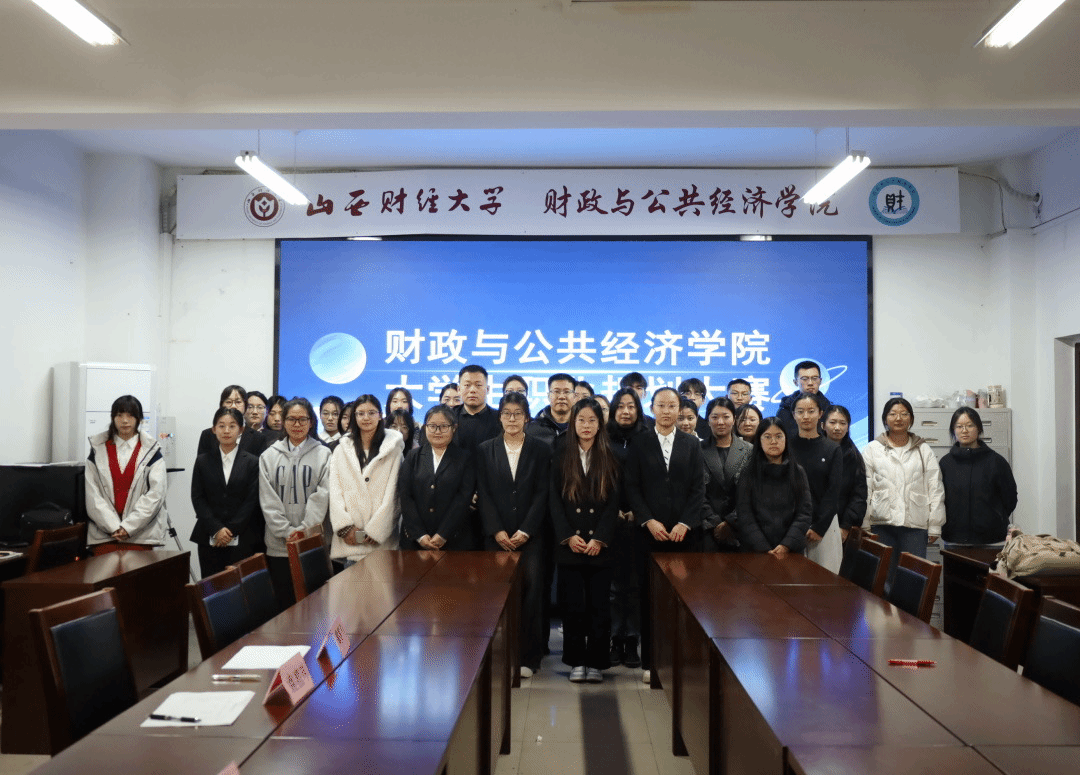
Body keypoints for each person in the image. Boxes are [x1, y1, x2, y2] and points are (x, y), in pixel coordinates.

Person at [626, 387, 705, 683]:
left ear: (679, 409)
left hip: (685, 536)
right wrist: (648, 520)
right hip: (650, 535)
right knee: (650, 599)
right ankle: (651, 661)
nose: (667, 411)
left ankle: (680, 660)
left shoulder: (691, 443)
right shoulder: (639, 442)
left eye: (672, 406)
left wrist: (686, 522)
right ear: (652, 408)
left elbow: (698, 488)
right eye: (661, 405)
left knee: (682, 599)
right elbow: (632, 486)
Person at [476, 392, 551, 677]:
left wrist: (526, 530)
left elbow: (543, 492)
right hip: (496, 536)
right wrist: (496, 530)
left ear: (527, 418)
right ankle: (499, 656)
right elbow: (483, 492)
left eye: (518, 414)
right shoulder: (485, 449)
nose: (512, 419)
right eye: (507, 413)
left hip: (530, 536)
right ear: (499, 417)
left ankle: (528, 658)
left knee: (531, 596)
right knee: (496, 596)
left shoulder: (540, 449)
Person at [550, 398, 619, 684]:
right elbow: (554, 500)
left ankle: (597, 662)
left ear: (600, 424)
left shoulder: (611, 455)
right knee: (573, 607)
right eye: (581, 420)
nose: (586, 426)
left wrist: (600, 538)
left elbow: (614, 503)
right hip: (571, 545)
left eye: (592, 420)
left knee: (599, 607)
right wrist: (568, 535)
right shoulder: (560, 454)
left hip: (600, 546)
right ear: (573, 423)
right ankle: (576, 660)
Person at [862, 397, 945, 588]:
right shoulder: (873, 448)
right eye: (893, 414)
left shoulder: (923, 449)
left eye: (904, 414)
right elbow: (865, 487)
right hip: (881, 525)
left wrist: (935, 525)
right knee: (883, 579)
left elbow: (935, 487)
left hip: (915, 526)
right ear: (885, 419)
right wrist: (865, 522)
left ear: (911, 419)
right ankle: (884, 610)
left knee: (913, 579)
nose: (898, 418)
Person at [259, 397, 332, 608]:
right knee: (284, 606)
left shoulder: (324, 454)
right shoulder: (268, 456)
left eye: (302, 419)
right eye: (291, 419)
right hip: (278, 545)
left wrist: (303, 530)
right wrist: (286, 531)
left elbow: (322, 496)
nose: (297, 424)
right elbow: (268, 499)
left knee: (315, 605)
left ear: (311, 422)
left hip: (312, 544)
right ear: (283, 421)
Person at [85, 395, 169, 555]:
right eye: (119, 415)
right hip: (105, 536)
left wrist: (128, 527)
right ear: (112, 418)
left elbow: (156, 494)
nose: (124, 421)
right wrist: (113, 527)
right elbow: (92, 494)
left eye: (130, 415)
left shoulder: (152, 451)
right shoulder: (97, 449)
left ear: (139, 419)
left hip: (141, 536)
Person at [328, 395, 405, 567]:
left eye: (371, 413)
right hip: (350, 542)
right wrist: (345, 527)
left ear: (380, 416)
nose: (366, 418)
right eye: (360, 413)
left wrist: (377, 529)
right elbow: (334, 492)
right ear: (354, 417)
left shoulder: (393, 451)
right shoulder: (341, 450)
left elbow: (395, 494)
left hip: (381, 543)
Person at [189, 407, 261, 577]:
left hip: (243, 537)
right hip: (209, 536)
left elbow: (251, 500)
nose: (226, 431)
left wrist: (230, 530)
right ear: (214, 429)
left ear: (241, 430)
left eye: (232, 426)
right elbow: (197, 497)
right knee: (211, 585)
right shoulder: (203, 461)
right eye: (221, 426)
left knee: (241, 585)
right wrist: (217, 529)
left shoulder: (252, 462)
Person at [606, 387, 648, 669]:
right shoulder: (603, 438)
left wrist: (638, 510)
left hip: (638, 520)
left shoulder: (647, 438)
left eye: (631, 406)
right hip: (608, 521)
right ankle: (614, 639)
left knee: (633, 585)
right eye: (620, 406)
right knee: (612, 586)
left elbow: (650, 481)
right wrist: (613, 511)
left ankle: (631, 639)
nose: (625, 411)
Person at [399, 405, 475, 550]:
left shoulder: (465, 458)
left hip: (453, 539)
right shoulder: (413, 456)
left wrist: (443, 534)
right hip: (415, 540)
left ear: (454, 428)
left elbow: (463, 498)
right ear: (425, 428)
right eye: (432, 426)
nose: (437, 431)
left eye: (444, 426)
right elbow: (405, 496)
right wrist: (420, 535)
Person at [939, 407, 1018, 546]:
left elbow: (1010, 498)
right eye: (959, 426)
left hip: (992, 539)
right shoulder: (945, 463)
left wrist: (994, 517)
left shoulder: (996, 461)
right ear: (953, 430)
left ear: (979, 428)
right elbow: (939, 499)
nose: (964, 430)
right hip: (954, 538)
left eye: (970, 425)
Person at [734, 417, 813, 556]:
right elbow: (744, 514)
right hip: (755, 550)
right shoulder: (748, 472)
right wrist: (763, 547)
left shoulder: (797, 472)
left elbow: (804, 513)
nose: (773, 441)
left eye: (778, 436)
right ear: (759, 440)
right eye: (767, 437)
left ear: (786, 439)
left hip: (791, 550)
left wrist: (786, 545)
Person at [788, 393, 843, 573]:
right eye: (800, 411)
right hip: (791, 524)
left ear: (820, 414)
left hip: (824, 526)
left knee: (825, 579)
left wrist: (819, 527)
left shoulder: (832, 449)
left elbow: (833, 491)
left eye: (811, 411)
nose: (806, 416)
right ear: (793, 415)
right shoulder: (786, 447)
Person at [701, 397, 752, 552]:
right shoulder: (697, 449)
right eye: (715, 417)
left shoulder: (749, 450)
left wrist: (730, 522)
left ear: (734, 419)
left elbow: (751, 492)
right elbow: (694, 491)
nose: (720, 422)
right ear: (708, 420)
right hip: (705, 528)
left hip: (740, 528)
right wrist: (715, 523)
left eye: (726, 417)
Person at [821, 405, 868, 544]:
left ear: (848, 427)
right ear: (823, 425)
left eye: (842, 423)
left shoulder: (853, 456)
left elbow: (859, 496)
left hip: (841, 525)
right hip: (815, 523)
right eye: (832, 422)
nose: (837, 428)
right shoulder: (814, 452)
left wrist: (846, 526)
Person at [196, 384, 267, 457]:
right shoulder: (207, 435)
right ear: (221, 405)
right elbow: (201, 463)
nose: (233, 406)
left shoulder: (258, 438)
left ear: (245, 406)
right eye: (229, 402)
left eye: (238, 402)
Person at [776, 360, 831, 438]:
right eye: (805, 379)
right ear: (795, 382)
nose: (810, 383)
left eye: (814, 378)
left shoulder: (829, 410)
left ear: (820, 381)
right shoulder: (785, 411)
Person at [452, 365, 501, 452]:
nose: (472, 390)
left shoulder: (500, 419)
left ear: (487, 389)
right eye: (467, 385)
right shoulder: (449, 417)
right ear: (459, 389)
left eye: (478, 385)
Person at [527, 373, 577, 449]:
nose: (561, 397)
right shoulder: (532, 429)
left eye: (567, 392)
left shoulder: (583, 427)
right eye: (556, 391)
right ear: (548, 396)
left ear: (574, 396)